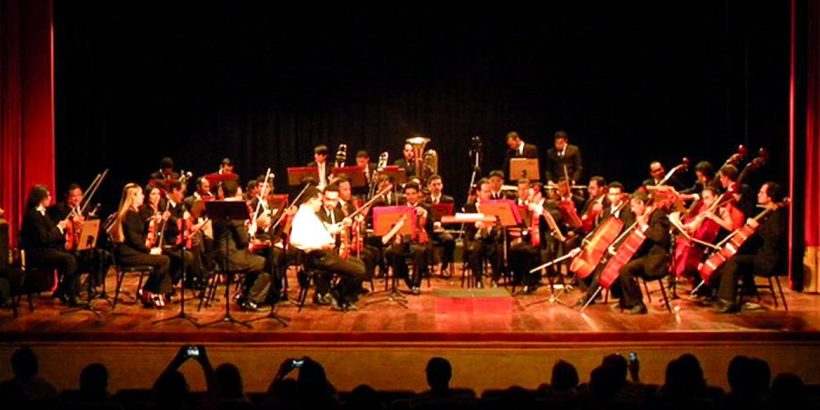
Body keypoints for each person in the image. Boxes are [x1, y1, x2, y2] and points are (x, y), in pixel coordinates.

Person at [713, 182, 786, 314]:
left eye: (762, 193)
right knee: (735, 260)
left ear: (770, 197)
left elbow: (774, 238)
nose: (758, 194)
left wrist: (758, 226)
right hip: (762, 255)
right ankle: (729, 299)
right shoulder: (769, 212)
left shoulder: (778, 215)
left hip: (769, 261)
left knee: (734, 261)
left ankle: (727, 301)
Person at [290, 186, 366, 311]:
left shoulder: (309, 214)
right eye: (319, 200)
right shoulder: (302, 217)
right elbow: (295, 240)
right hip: (317, 257)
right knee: (358, 270)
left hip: (325, 254)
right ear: (311, 200)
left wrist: (342, 225)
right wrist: (320, 245)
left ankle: (340, 295)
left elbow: (327, 228)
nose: (321, 203)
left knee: (360, 264)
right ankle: (339, 295)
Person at [109, 183, 173, 307]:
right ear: (133, 197)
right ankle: (148, 291)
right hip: (128, 255)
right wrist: (150, 251)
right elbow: (135, 241)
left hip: (132, 253)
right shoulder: (129, 214)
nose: (143, 197)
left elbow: (141, 234)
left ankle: (153, 293)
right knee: (164, 260)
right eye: (140, 194)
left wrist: (155, 222)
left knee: (164, 258)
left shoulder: (134, 212)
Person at [19, 185, 80, 306]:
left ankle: (65, 291)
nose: (50, 198)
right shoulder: (34, 215)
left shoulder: (43, 214)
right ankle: (71, 295)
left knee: (73, 255)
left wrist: (62, 226)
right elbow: (44, 238)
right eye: (48, 196)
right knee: (69, 259)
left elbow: (52, 230)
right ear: (41, 199)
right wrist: (59, 227)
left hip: (46, 249)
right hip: (37, 253)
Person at [214, 180, 269, 311]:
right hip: (231, 256)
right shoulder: (234, 210)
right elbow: (243, 241)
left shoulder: (217, 209)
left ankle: (243, 295)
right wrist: (252, 230)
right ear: (236, 194)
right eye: (240, 194)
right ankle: (251, 300)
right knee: (266, 264)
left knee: (256, 263)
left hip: (219, 255)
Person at [617, 191, 671, 314]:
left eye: (634, 206)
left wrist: (644, 227)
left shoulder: (658, 215)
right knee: (620, 264)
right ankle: (626, 300)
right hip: (646, 256)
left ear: (641, 203)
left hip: (656, 259)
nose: (632, 210)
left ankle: (638, 304)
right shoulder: (647, 216)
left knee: (625, 270)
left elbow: (659, 237)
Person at [384, 182, 433, 295]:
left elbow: (431, 228)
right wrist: (397, 235)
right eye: (408, 194)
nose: (411, 196)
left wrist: (425, 215)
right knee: (389, 252)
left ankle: (416, 284)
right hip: (403, 239)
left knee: (419, 252)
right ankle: (407, 279)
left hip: (419, 240)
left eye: (413, 194)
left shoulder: (426, 207)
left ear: (418, 194)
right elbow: (393, 224)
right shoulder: (400, 207)